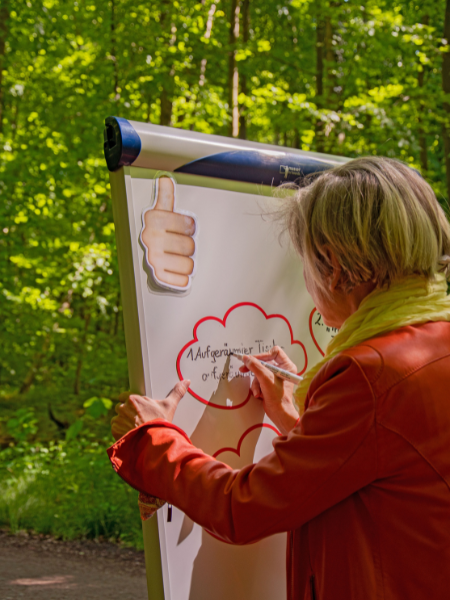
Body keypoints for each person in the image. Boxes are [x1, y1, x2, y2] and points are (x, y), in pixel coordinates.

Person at [108, 157, 450, 600]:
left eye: (305, 259)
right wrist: (294, 419)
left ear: (334, 265)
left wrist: (153, 442)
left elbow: (243, 508)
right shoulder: (432, 341)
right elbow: (387, 465)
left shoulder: (370, 375)